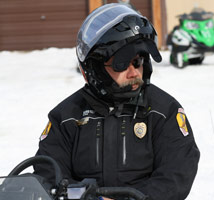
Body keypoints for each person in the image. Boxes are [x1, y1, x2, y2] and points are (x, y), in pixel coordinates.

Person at [34, 3, 200, 200]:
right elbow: (48, 173)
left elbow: (177, 174)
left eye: (138, 62)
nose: (134, 72)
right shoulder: (66, 116)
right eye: (121, 64)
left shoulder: (164, 111)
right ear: (95, 68)